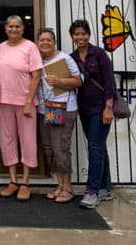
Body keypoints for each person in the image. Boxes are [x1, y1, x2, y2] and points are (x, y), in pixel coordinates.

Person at [0, 15, 43, 201]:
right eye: (10, 26)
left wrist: (29, 101)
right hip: (4, 100)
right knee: (7, 140)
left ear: (23, 29)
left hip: (25, 103)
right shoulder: (0, 47)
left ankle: (25, 183)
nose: (14, 30)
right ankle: (13, 181)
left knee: (28, 141)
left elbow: (36, 76)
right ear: (5, 28)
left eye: (17, 27)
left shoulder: (30, 47)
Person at [69, 19, 116, 209]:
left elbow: (110, 83)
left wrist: (109, 107)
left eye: (83, 33)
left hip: (100, 108)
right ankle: (105, 188)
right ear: (72, 36)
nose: (80, 37)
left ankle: (92, 191)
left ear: (89, 34)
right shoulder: (71, 57)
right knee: (99, 147)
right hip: (84, 108)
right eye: (76, 34)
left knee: (95, 148)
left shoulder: (99, 54)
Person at [36, 27, 83, 204]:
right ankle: (59, 184)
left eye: (49, 40)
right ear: (37, 43)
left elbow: (79, 81)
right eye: (42, 40)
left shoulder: (64, 58)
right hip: (44, 110)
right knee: (49, 148)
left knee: (60, 148)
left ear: (54, 42)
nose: (45, 43)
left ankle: (68, 187)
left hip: (63, 108)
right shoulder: (38, 59)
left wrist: (60, 81)